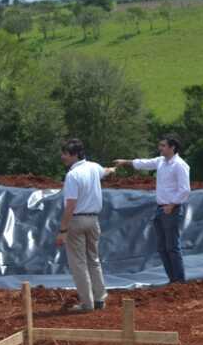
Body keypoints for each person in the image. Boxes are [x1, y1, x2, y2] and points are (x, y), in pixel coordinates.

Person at [114, 134, 191, 283]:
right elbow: (143, 163)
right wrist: (125, 162)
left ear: (172, 147)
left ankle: (179, 281)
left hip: (171, 209)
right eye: (160, 145)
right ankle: (172, 280)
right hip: (161, 208)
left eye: (163, 146)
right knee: (162, 248)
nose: (160, 148)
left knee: (172, 247)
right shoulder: (161, 162)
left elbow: (185, 189)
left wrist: (172, 205)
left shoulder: (180, 165)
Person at [55, 139, 116, 313]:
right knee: (94, 260)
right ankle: (99, 299)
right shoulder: (93, 167)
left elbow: (70, 206)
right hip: (93, 220)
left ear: (74, 155)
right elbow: (105, 171)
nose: (63, 157)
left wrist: (63, 230)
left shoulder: (73, 176)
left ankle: (87, 304)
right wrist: (113, 169)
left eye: (65, 153)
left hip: (77, 221)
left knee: (79, 264)